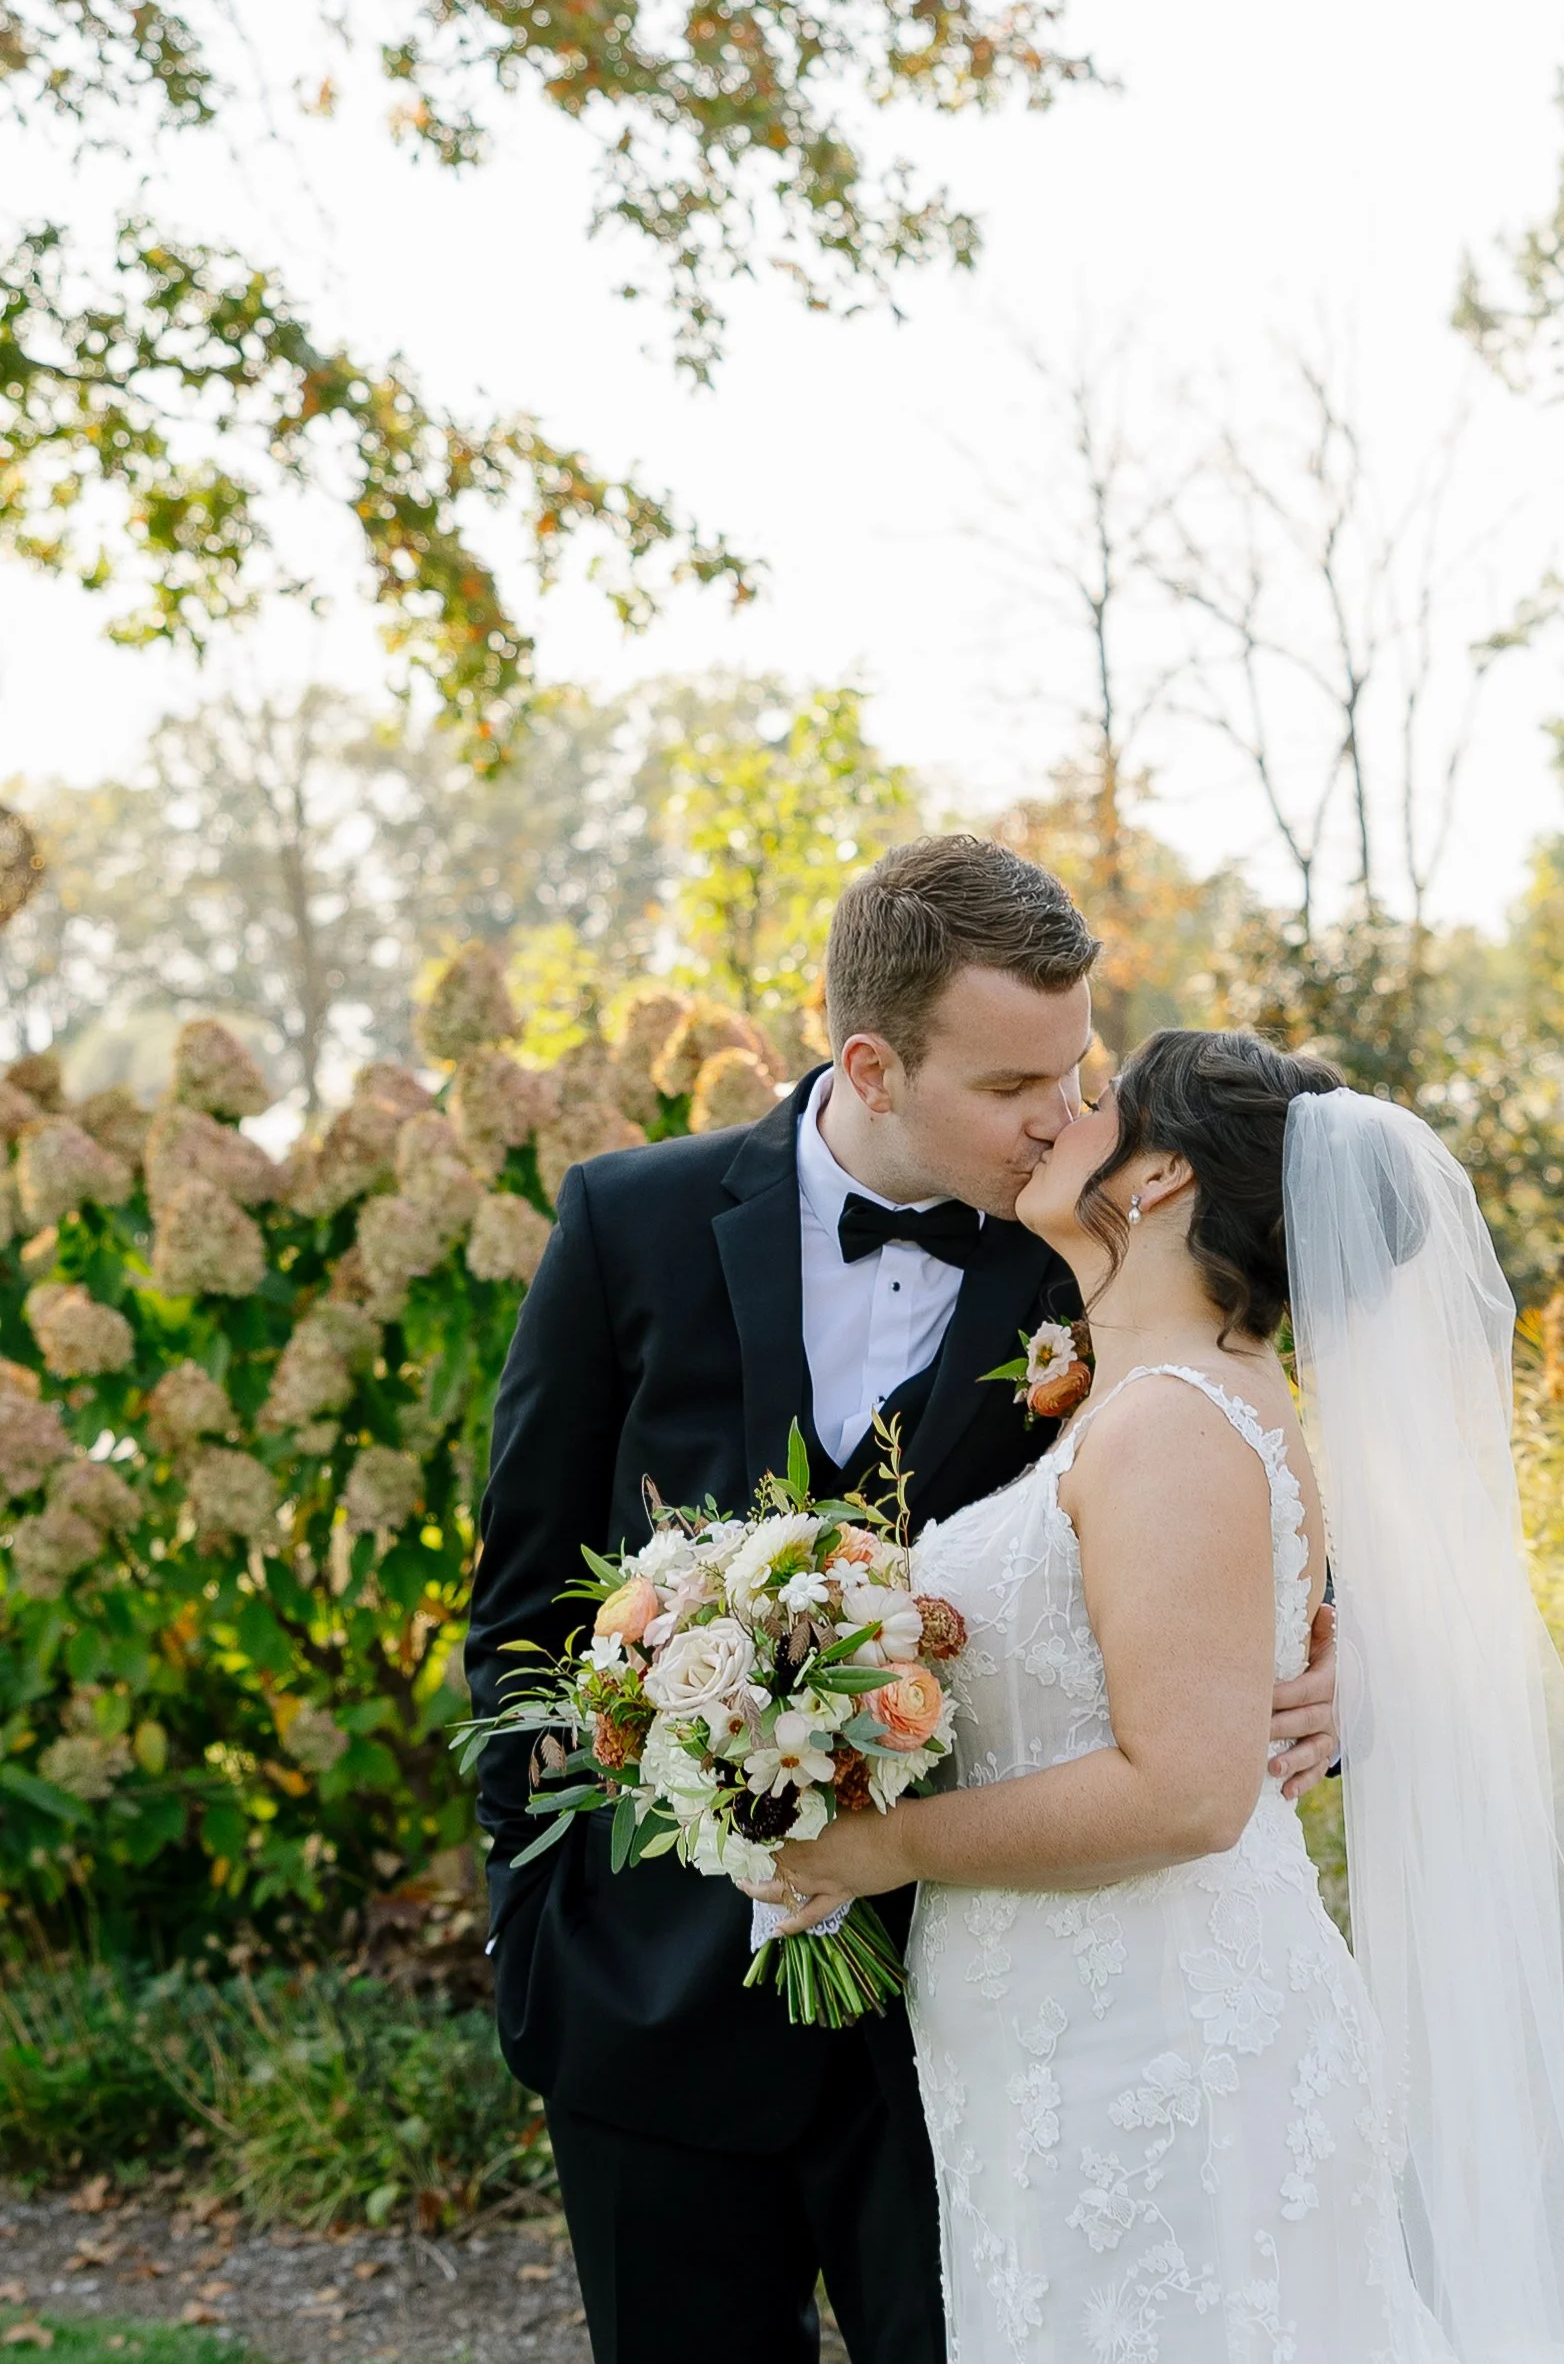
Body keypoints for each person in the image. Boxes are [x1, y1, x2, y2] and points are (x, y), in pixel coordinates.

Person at [763, 1030, 1564, 2364]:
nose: (1059, 1121)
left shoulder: (1171, 1422)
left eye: (1097, 1103)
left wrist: (875, 1846)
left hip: (1156, 2045)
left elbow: (1190, 1789)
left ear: (1157, 1180)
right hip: (1068, 2038)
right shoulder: (1157, 1402)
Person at [463, 842, 1341, 2364]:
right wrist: (538, 1932)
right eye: (1017, 1084)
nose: (1065, 1116)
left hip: (982, 2029)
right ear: (872, 1060)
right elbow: (522, 1604)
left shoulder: (1096, 1248)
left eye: (1079, 1072)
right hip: (650, 2010)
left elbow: (1252, 1485)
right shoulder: (632, 1225)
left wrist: (1353, 1672)